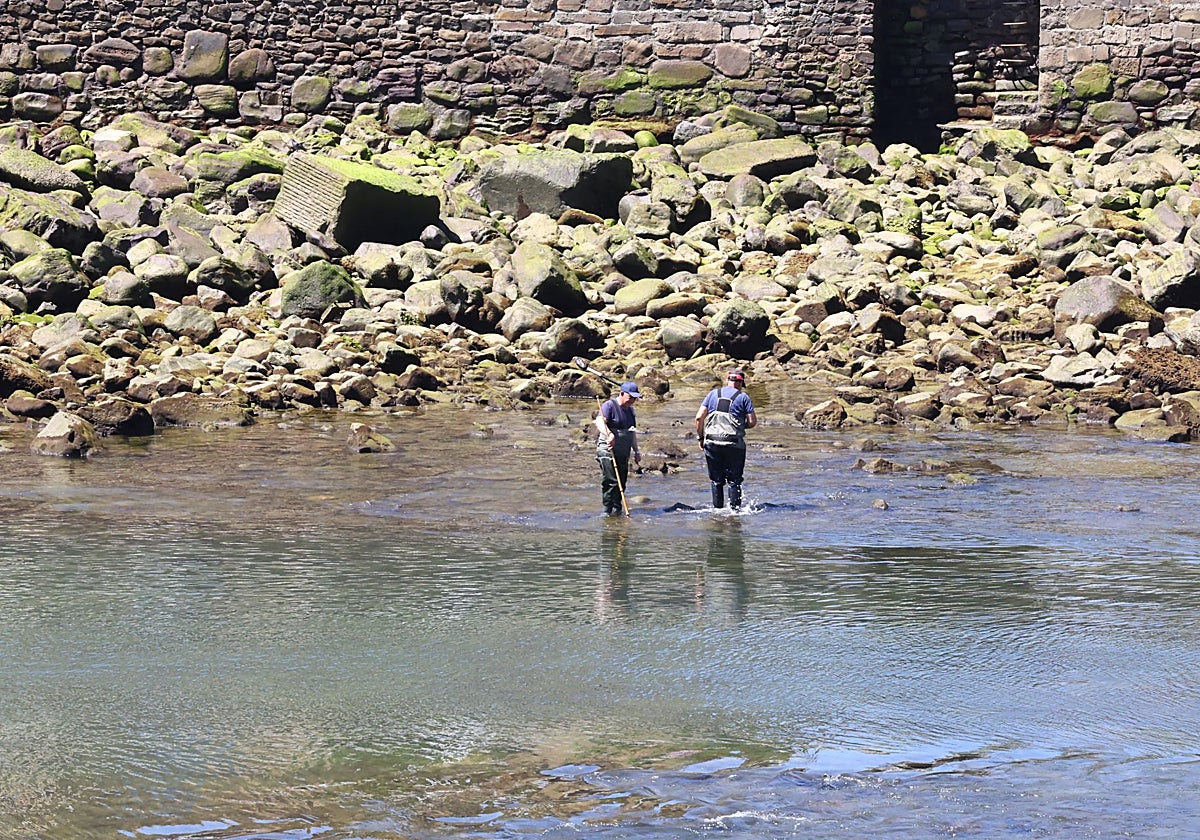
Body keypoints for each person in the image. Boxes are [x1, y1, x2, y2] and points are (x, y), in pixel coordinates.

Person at [695, 368, 757, 509]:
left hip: (712, 442)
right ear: (741, 383)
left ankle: (717, 511)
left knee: (716, 480)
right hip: (734, 443)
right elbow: (752, 422)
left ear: (727, 380)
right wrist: (741, 426)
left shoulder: (712, 394)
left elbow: (699, 418)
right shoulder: (743, 397)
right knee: (734, 480)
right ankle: (735, 513)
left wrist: (700, 438)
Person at [595, 381, 642, 514]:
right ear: (622, 393)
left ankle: (617, 508)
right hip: (608, 450)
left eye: (635, 398)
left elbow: (632, 432)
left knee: (622, 481)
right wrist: (609, 434)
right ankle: (607, 510)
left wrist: (636, 451)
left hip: (623, 452)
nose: (632, 400)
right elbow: (599, 421)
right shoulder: (609, 405)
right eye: (630, 397)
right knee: (611, 480)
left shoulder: (631, 411)